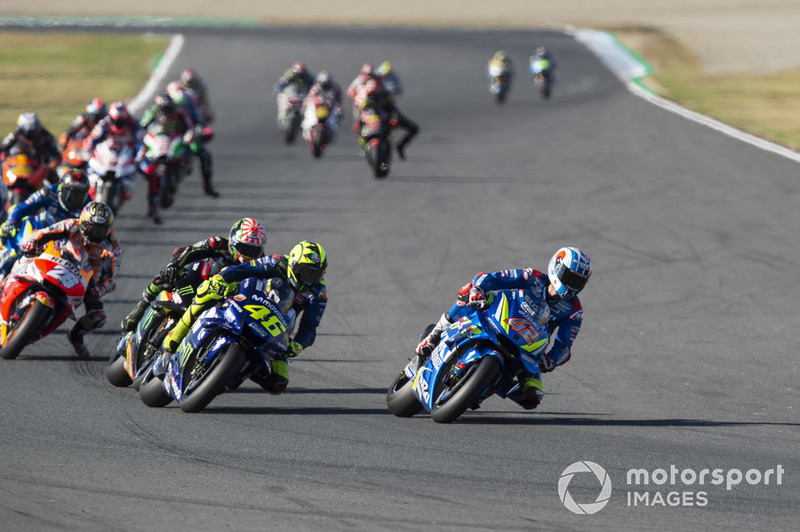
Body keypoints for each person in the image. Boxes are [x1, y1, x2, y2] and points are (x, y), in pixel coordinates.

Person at [415, 247, 592, 410]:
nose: (573, 286)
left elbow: (565, 346)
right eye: (571, 278)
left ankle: (489, 386)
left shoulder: (574, 311)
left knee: (533, 397)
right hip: (497, 317)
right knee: (467, 290)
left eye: (579, 282)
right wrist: (478, 289)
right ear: (557, 268)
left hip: (527, 348)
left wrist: (551, 360)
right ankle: (435, 334)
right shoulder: (532, 277)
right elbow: (491, 278)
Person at [155, 240, 328, 395]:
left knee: (278, 382)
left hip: (275, 327)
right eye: (306, 272)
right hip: (248, 301)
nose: (310, 280)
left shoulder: (318, 293)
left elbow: (310, 327)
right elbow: (241, 270)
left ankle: (235, 373)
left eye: (316, 275)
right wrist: (221, 280)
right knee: (207, 292)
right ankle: (172, 342)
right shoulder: (275, 263)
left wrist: (298, 345)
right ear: (294, 264)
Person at [120, 217, 267, 333]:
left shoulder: (261, 264)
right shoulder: (218, 243)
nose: (248, 255)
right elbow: (188, 251)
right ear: (233, 242)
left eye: (254, 251)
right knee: (168, 273)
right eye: (244, 248)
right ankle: (141, 307)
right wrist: (175, 265)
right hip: (196, 281)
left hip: (223, 300)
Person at [19, 201, 122, 358]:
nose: (95, 233)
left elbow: (111, 280)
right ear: (83, 222)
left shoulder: (113, 249)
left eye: (101, 229)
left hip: (85, 279)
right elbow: (43, 233)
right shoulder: (71, 225)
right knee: (22, 260)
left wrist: (100, 289)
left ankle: (76, 337)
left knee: (98, 316)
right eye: (91, 227)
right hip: (55, 258)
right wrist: (32, 242)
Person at [0, 168, 91, 276]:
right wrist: (11, 222)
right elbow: (21, 208)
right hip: (39, 228)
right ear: (62, 188)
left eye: (80, 195)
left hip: (65, 239)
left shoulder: (88, 205)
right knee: (10, 244)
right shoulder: (49, 191)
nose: (75, 199)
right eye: (71, 193)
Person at [165, 81, 218, 197]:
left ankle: (207, 186)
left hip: (185, 136)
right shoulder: (161, 106)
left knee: (205, 156)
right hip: (165, 137)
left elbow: (200, 122)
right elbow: (146, 122)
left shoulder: (190, 106)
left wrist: (199, 131)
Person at [358, 79, 420, 160]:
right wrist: (359, 121)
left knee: (414, 128)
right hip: (374, 117)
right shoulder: (365, 96)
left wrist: (394, 117)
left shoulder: (386, 93)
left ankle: (400, 146)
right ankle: (366, 149)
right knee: (362, 130)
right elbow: (362, 111)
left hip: (387, 114)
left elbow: (392, 107)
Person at [0, 112, 61, 185]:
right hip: (18, 165)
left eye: (33, 131)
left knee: (54, 178)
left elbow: (55, 154)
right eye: (28, 132)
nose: (31, 135)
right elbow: (3, 148)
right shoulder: (15, 135)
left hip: (39, 167)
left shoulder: (46, 137)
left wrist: (51, 165)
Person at [301, 71, 344, 141]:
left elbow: (339, 99)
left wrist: (340, 108)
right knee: (309, 120)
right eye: (323, 84)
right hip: (317, 107)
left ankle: (330, 134)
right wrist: (304, 106)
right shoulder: (315, 87)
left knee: (333, 123)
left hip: (330, 108)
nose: (325, 85)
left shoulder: (336, 88)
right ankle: (307, 132)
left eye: (327, 84)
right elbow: (309, 97)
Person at [347, 63, 378, 129]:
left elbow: (376, 91)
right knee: (358, 121)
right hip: (360, 105)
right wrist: (356, 98)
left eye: (371, 74)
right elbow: (350, 91)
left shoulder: (374, 82)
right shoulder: (358, 80)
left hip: (372, 104)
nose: (370, 76)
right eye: (368, 74)